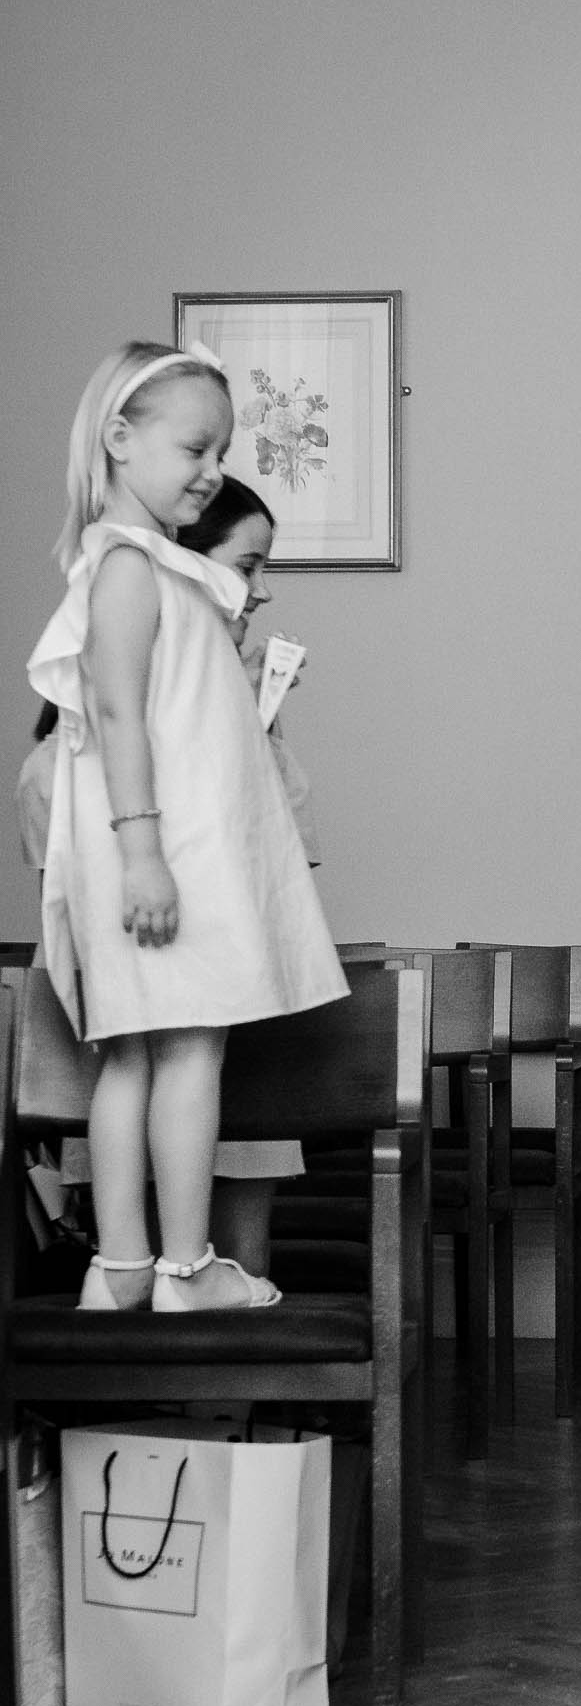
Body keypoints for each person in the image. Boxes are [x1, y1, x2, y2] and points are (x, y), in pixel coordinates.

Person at [25, 340, 347, 1312]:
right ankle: (182, 1264)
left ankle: (123, 1264)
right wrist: (142, 853)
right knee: (185, 1051)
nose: (213, 471)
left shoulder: (155, 570)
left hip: (157, 855)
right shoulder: (126, 567)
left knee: (133, 1054)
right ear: (119, 439)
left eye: (223, 451)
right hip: (159, 860)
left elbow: (177, 720)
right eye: (195, 448)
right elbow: (116, 717)